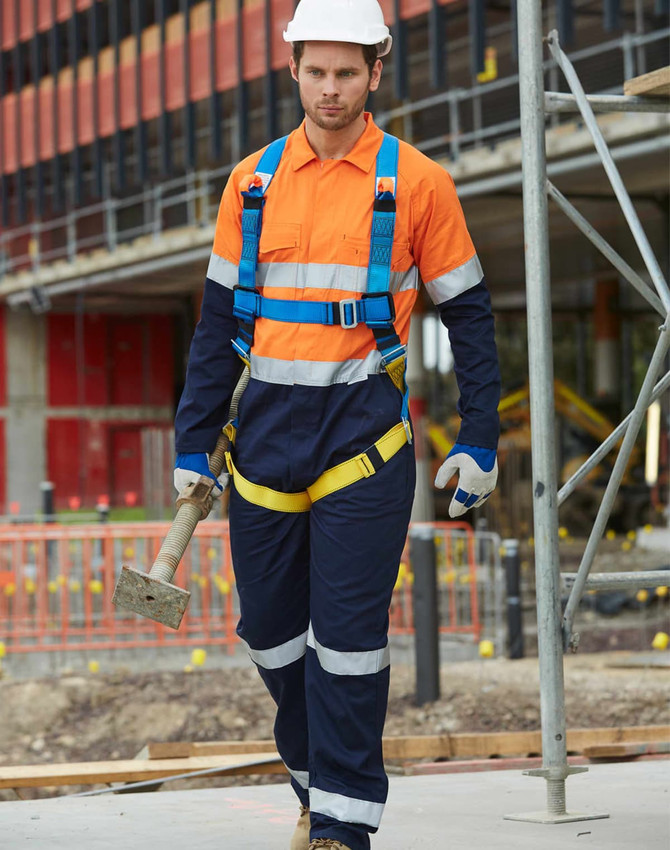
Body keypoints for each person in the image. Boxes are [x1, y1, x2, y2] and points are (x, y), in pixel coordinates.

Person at [173, 1, 500, 848]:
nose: (330, 88)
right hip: (263, 444)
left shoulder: (418, 183)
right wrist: (192, 439)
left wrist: (480, 437)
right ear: (292, 69)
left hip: (365, 443)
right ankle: (318, 785)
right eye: (316, 71)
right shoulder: (250, 184)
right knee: (271, 638)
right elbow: (216, 324)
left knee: (349, 644)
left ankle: (340, 831)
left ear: (375, 73)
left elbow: (469, 316)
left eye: (347, 73)